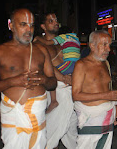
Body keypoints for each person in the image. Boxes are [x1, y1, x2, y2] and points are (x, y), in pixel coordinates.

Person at [0, 8, 57, 149]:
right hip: (13, 114)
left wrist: (44, 80)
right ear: (11, 25)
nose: (29, 30)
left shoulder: (41, 50)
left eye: (32, 25)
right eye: (23, 24)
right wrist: (13, 82)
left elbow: (53, 83)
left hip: (37, 112)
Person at [34, 13, 78, 149]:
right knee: (53, 131)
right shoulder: (38, 45)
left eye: (56, 20)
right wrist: (64, 78)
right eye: (50, 21)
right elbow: (44, 67)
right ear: (43, 26)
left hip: (72, 90)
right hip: (57, 90)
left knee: (70, 131)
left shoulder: (63, 42)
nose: (55, 22)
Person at [72, 30, 117, 149]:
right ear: (92, 46)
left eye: (109, 45)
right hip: (90, 118)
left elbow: (108, 88)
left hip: (108, 114)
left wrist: (116, 108)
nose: (108, 49)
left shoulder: (106, 64)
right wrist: (106, 96)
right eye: (104, 45)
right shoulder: (81, 65)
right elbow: (76, 95)